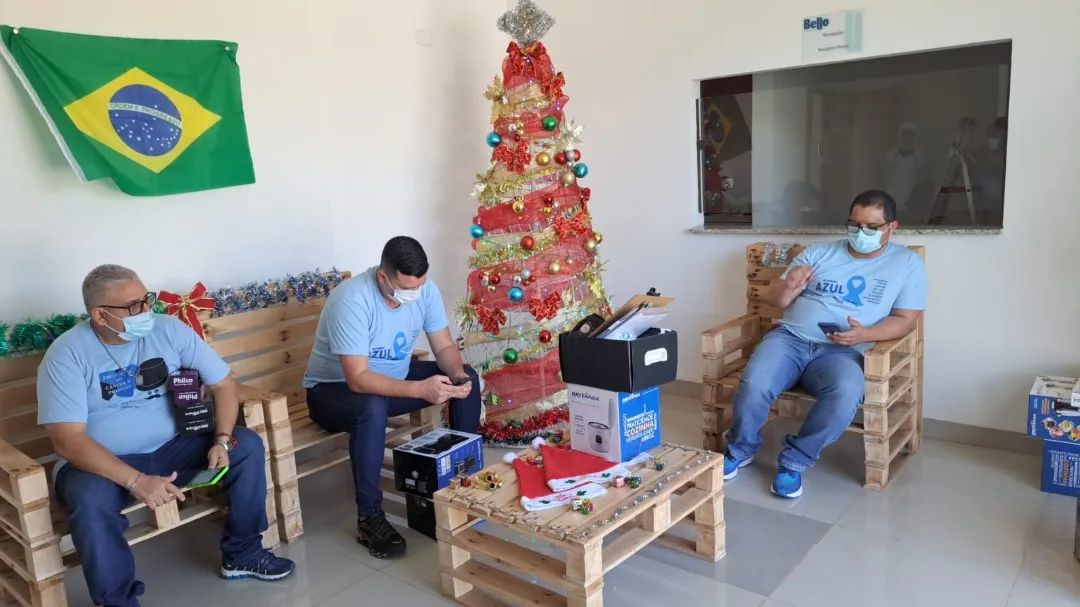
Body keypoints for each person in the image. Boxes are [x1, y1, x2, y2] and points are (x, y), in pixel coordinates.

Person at [38, 265, 295, 607]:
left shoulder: (168, 329)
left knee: (245, 446)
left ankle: (242, 554)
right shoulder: (67, 354)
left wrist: (221, 439)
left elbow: (223, 384)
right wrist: (135, 480)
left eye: (146, 299)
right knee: (90, 500)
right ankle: (117, 600)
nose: (146, 311)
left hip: (174, 447)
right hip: (103, 463)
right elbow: (67, 440)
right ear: (99, 315)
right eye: (133, 306)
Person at [723, 190, 927, 498]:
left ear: (892, 226)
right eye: (855, 224)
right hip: (790, 339)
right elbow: (776, 300)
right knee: (755, 382)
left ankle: (795, 460)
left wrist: (864, 335)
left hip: (843, 352)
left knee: (846, 393)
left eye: (872, 227)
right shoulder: (819, 253)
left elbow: (906, 319)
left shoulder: (907, 264)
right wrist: (788, 286)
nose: (861, 233)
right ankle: (741, 448)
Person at [304, 236, 481, 559]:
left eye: (420, 285)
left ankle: (461, 489)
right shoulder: (352, 300)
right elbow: (358, 379)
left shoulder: (424, 290)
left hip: (393, 379)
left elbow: (443, 346)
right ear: (383, 277)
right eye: (408, 287)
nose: (415, 293)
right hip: (333, 392)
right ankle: (369, 516)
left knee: (468, 378)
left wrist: (456, 374)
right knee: (371, 407)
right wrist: (421, 389)